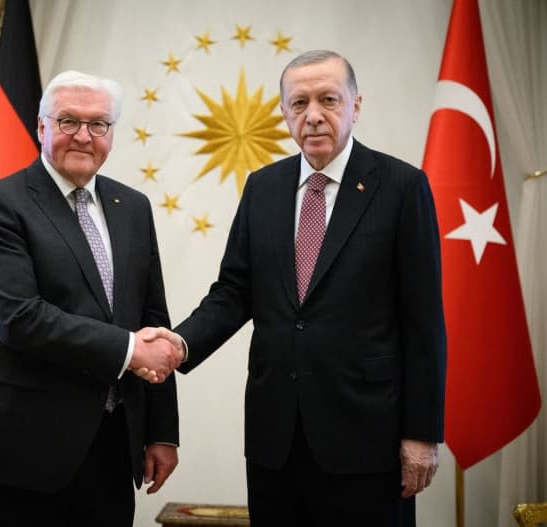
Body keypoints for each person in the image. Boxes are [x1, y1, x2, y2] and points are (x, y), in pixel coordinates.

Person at [145, 50, 446, 526]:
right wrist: (179, 343)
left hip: (369, 438)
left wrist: (421, 434)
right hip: (275, 438)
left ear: (355, 105)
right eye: (298, 103)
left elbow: (424, 322)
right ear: (284, 112)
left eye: (328, 99)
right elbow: (233, 292)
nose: (313, 115)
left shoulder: (402, 187)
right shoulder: (263, 187)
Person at [0, 70, 183, 527]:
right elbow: (19, 318)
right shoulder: (0, 204)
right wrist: (131, 349)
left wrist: (161, 431)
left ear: (111, 134)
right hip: (20, 451)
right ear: (42, 127)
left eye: (98, 124)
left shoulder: (133, 207)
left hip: (112, 445)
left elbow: (151, 316)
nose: (83, 136)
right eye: (68, 122)